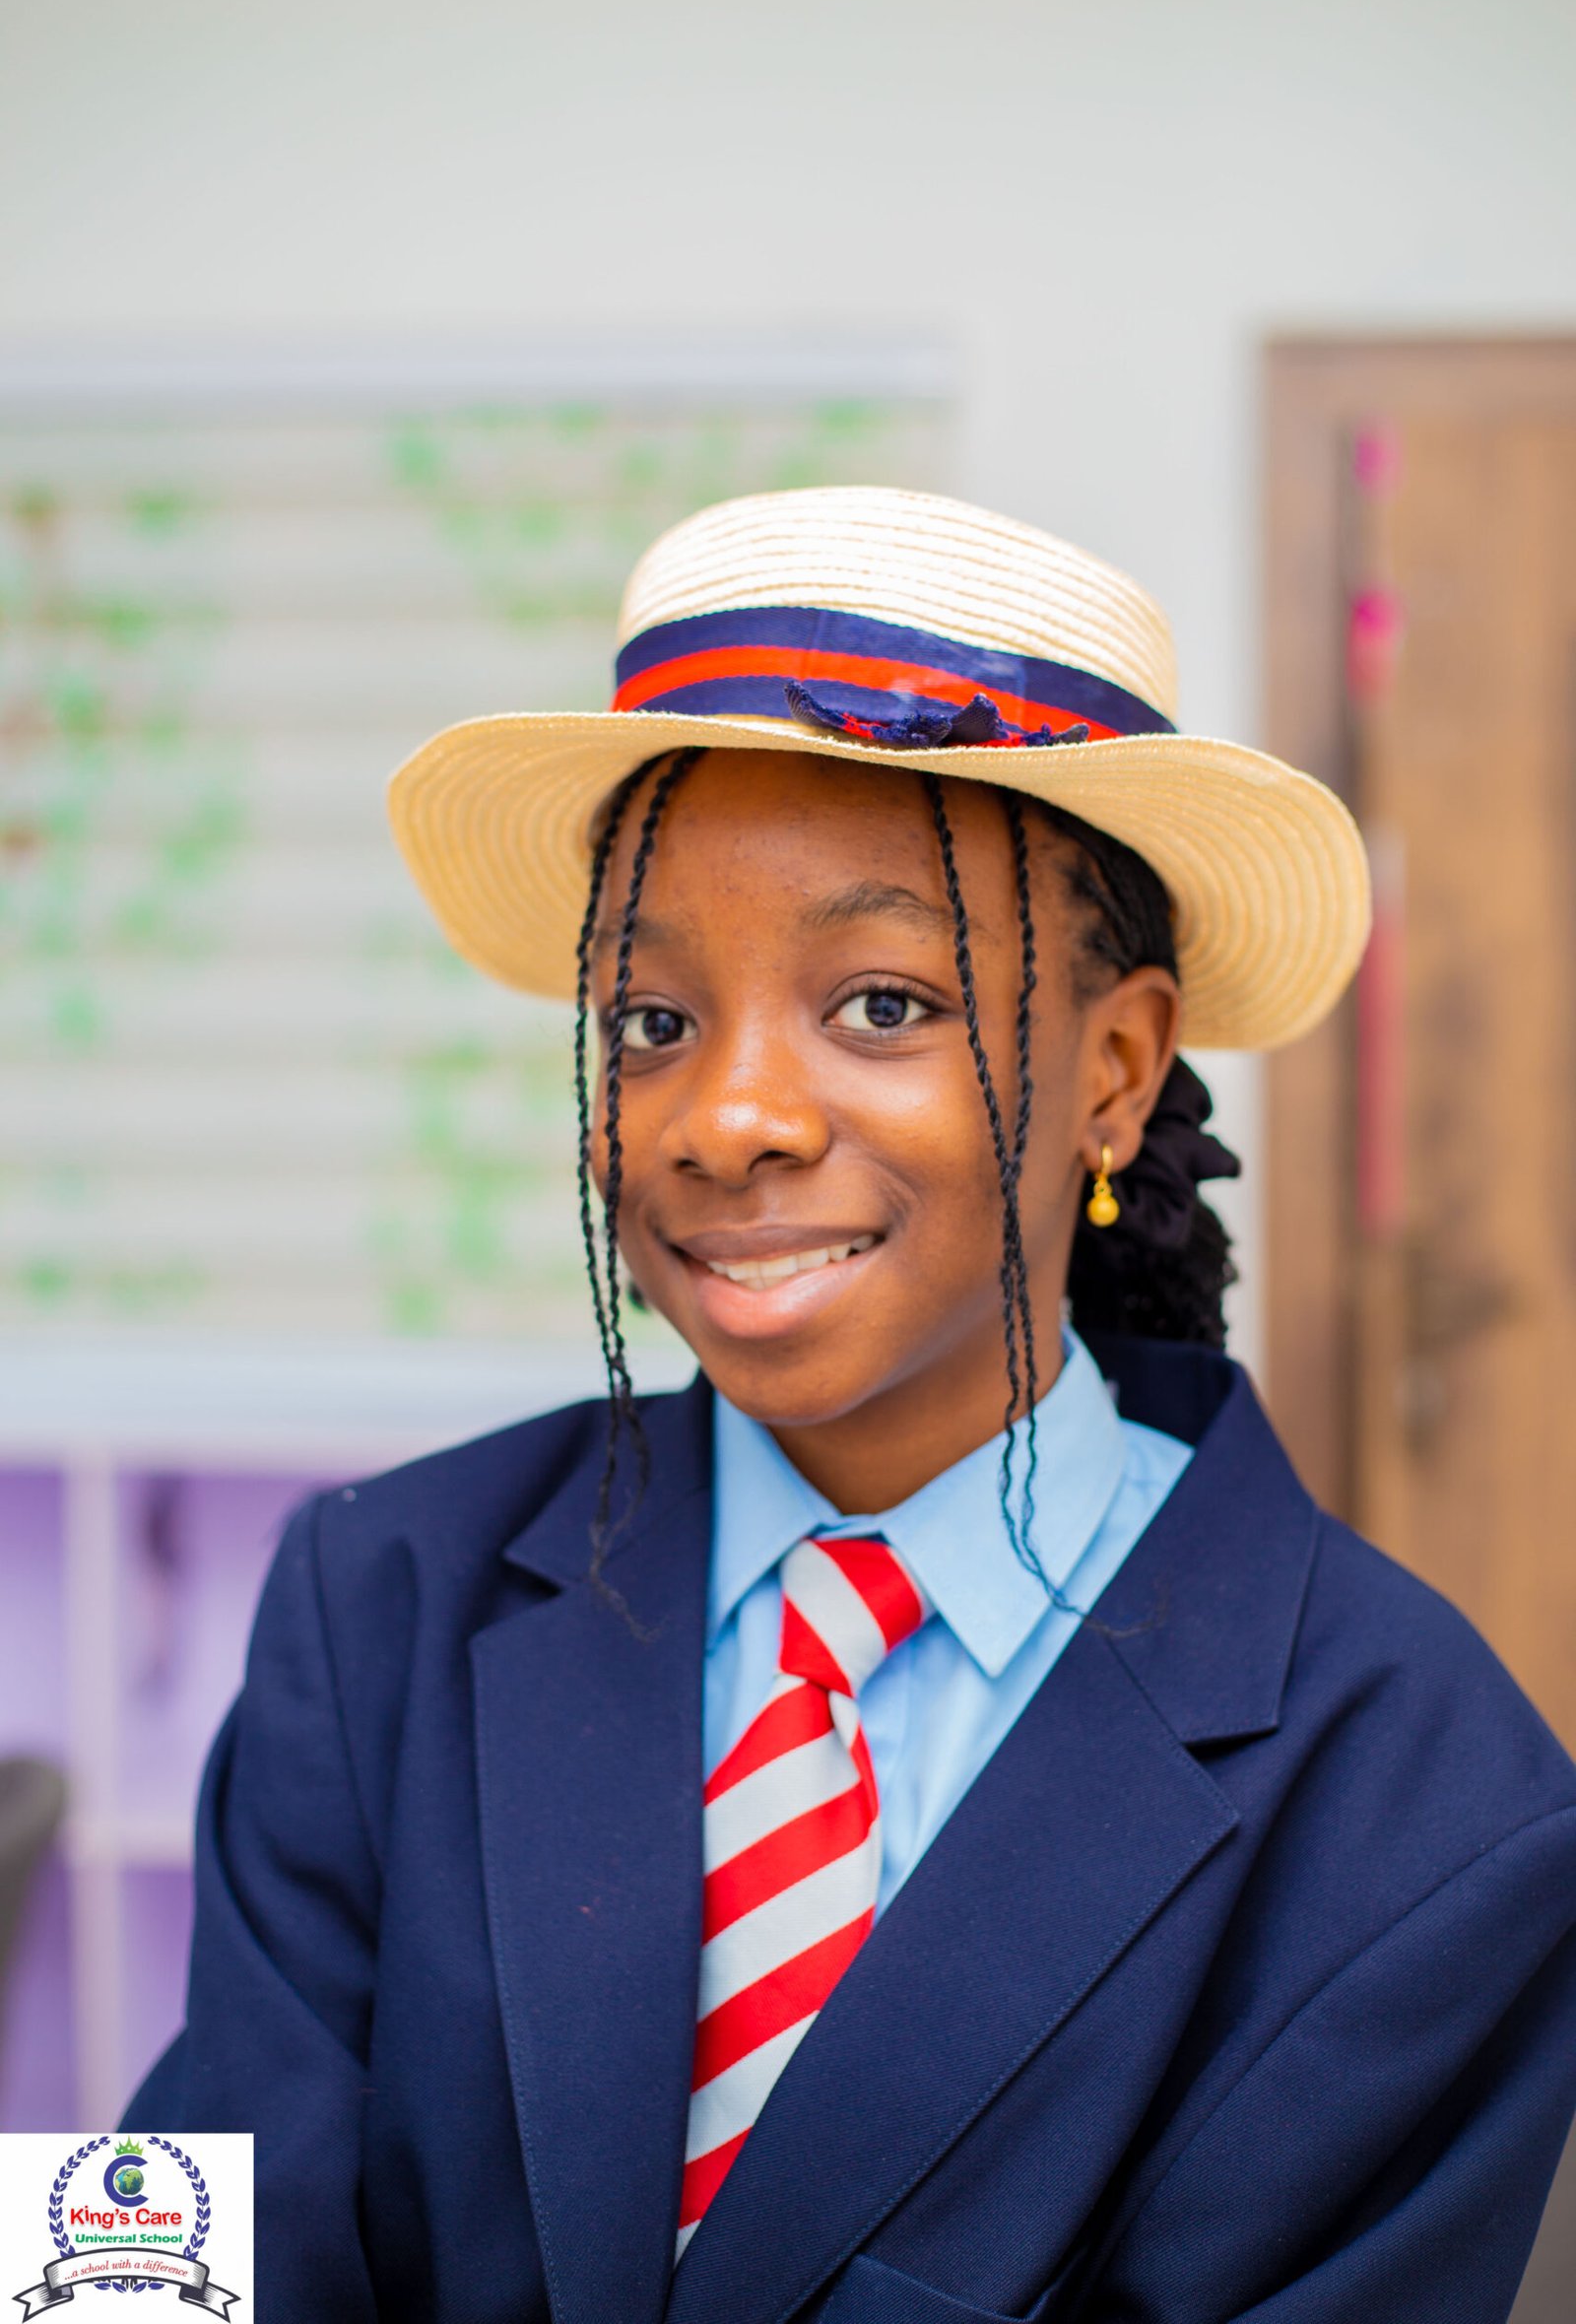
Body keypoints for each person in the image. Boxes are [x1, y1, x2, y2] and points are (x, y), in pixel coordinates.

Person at [126, 488, 1576, 2323]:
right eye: (651, 1020)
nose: (728, 1118)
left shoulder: (1434, 1807)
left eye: (881, 1003)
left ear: (1117, 1070)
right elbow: (161, 2236)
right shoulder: (375, 1596)